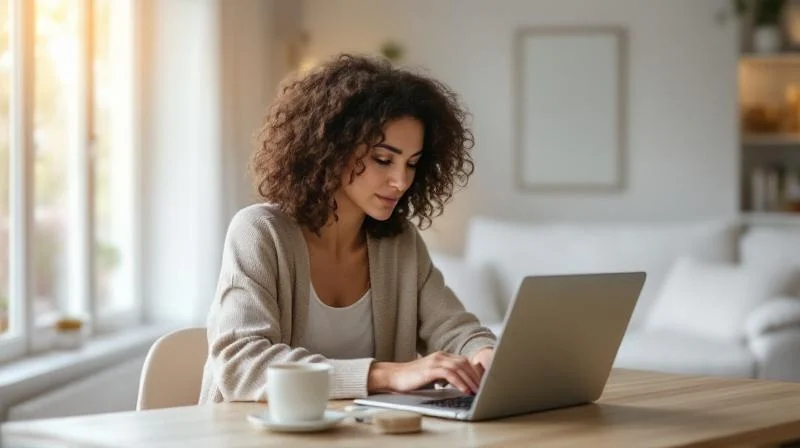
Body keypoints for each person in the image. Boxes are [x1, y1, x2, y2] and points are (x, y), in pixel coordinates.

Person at [199, 54, 496, 403]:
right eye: (383, 160)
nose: (400, 181)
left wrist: (487, 357)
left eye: (412, 164)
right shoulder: (260, 232)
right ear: (333, 149)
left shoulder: (399, 244)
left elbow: (455, 329)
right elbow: (241, 364)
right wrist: (388, 375)